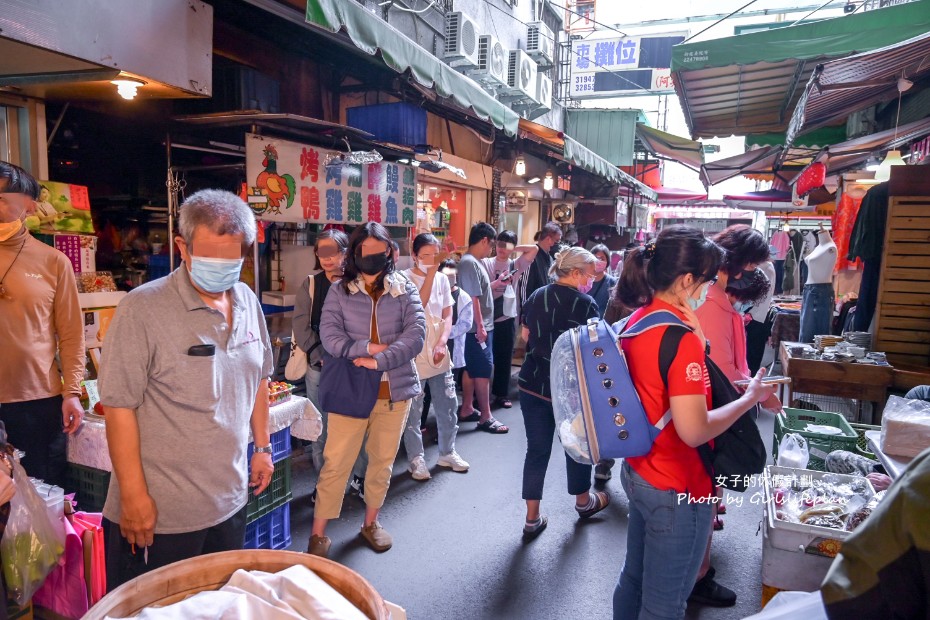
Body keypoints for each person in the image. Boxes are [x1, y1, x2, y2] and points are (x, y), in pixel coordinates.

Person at [98, 189, 274, 588]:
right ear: (182, 247)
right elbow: (119, 407)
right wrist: (134, 496)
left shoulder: (247, 299)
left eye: (231, 261)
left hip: (230, 499)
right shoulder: (142, 309)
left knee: (219, 605)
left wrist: (262, 447)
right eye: (209, 259)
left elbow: (260, 376)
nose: (221, 271)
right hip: (162, 513)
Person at [612, 226, 776, 620]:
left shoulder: (639, 319)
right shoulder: (677, 337)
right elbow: (694, 430)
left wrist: (698, 338)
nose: (709, 290)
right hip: (678, 484)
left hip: (639, 471)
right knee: (665, 604)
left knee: (633, 579)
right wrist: (748, 399)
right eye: (707, 280)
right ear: (687, 280)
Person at [308, 223, 425, 558]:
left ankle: (370, 523)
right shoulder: (340, 290)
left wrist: (380, 360)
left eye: (379, 251)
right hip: (350, 388)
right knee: (336, 462)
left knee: (381, 462)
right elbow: (329, 335)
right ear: (354, 254)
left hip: (394, 390)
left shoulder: (404, 287)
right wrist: (367, 348)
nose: (372, 258)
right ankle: (319, 534)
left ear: (390, 251)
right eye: (365, 253)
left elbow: (415, 335)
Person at [0, 162, 84, 489]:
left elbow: (72, 334)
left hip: (36, 402)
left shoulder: (53, 262)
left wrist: (72, 392)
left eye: (4, 196)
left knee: (39, 492)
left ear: (30, 205)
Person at [519, 247, 607, 540]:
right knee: (576, 444)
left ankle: (532, 517)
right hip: (570, 390)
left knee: (537, 449)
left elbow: (526, 336)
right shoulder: (587, 305)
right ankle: (583, 502)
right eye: (591, 275)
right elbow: (594, 351)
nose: (592, 281)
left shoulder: (536, 296)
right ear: (576, 273)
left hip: (533, 384)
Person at [292, 229, 366, 501]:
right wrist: (319, 353)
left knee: (355, 424)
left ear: (346, 253)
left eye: (332, 251)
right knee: (320, 426)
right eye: (321, 252)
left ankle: (358, 476)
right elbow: (300, 325)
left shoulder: (359, 282)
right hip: (320, 366)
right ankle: (325, 484)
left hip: (354, 367)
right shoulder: (311, 284)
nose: (326, 258)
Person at [821, 446, 930, 618]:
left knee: (858, 517)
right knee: (835, 458)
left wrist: (893, 486)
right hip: (894, 471)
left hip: (853, 602)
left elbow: (844, 595)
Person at [402, 234, 469, 480]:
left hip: (439, 350)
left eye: (435, 255)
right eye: (425, 256)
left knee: (448, 403)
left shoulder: (443, 279)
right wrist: (429, 274)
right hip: (414, 351)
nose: (431, 261)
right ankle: (416, 459)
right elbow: (418, 306)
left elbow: (448, 313)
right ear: (415, 255)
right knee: (413, 409)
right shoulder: (404, 279)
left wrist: (442, 342)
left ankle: (447, 452)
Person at [457, 222, 508, 434]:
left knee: (471, 368)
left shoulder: (472, 262)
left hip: (478, 326)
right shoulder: (469, 263)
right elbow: (473, 298)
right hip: (477, 327)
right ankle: (486, 416)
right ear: (484, 240)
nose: (492, 249)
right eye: (492, 244)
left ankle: (468, 407)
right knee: (484, 370)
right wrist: (480, 326)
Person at [482, 230, 538, 409]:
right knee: (485, 359)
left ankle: (501, 394)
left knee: (504, 357)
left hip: (506, 316)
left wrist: (514, 249)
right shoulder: (485, 263)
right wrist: (498, 283)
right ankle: (481, 396)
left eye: (506, 246)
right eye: (499, 244)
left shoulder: (516, 263)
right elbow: (481, 290)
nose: (501, 249)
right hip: (486, 316)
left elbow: (534, 249)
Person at [518, 221, 562, 308]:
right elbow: (524, 287)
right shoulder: (532, 256)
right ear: (548, 239)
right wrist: (525, 312)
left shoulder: (549, 258)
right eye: (556, 241)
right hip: (532, 309)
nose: (558, 245)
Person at [745, 260, 777, 374]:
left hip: (755, 318)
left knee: (751, 360)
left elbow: (761, 297)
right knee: (750, 358)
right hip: (755, 317)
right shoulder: (765, 266)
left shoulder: (765, 267)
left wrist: (746, 312)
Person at [588, 244, 618, 319]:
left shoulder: (613, 282)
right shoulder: (583, 280)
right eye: (596, 258)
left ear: (607, 261)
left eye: (602, 258)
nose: (599, 261)